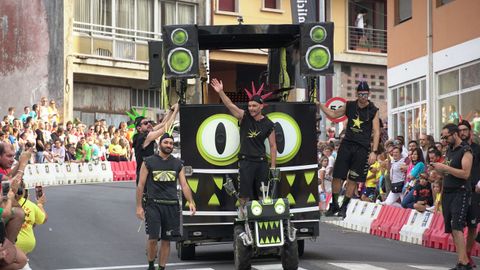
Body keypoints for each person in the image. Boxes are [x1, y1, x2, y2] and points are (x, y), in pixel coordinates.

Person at [210, 78, 277, 214]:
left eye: (254, 106)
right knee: (244, 194)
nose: (251, 108)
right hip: (246, 161)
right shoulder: (244, 116)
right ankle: (242, 216)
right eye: (249, 106)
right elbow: (230, 105)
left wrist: (273, 166)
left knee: (263, 194)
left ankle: (262, 217)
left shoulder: (269, 124)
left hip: (261, 163)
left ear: (261, 106)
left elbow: (273, 145)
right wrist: (221, 92)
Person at [318, 81, 380, 218]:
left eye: (365, 94)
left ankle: (344, 207)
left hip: (362, 148)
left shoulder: (373, 110)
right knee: (337, 176)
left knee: (353, 179)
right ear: (357, 94)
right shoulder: (350, 105)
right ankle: (334, 204)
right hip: (347, 144)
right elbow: (333, 114)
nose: (363, 97)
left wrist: (374, 152)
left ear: (368, 94)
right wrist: (320, 105)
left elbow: (376, 131)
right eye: (360, 94)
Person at [136, 132, 196, 270]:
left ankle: (161, 268)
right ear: (159, 144)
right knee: (152, 239)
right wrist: (139, 207)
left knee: (166, 240)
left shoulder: (177, 163)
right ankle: (151, 265)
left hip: (171, 206)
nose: (169, 145)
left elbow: (185, 185)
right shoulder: (148, 161)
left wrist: (191, 202)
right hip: (153, 205)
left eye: (171, 143)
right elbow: (140, 185)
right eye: (166, 143)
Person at [431, 123, 473, 270]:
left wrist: (445, 168)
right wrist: (438, 172)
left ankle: (465, 262)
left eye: (446, 136)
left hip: (460, 191)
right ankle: (461, 261)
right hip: (447, 192)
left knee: (457, 226)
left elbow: (465, 174)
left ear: (455, 134)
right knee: (451, 228)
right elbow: (447, 172)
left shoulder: (465, 150)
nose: (444, 140)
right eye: (442, 137)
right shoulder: (449, 150)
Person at [458, 120, 480, 268]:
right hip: (457, 191)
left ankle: (467, 255)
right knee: (457, 226)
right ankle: (462, 257)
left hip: (473, 190)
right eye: (460, 130)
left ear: (470, 132)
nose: (463, 133)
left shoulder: (477, 149)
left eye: (465, 130)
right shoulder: (455, 149)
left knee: (472, 226)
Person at [15, 181, 47, 255]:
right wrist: (40, 205)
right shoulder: (30, 205)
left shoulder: (4, 202)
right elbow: (43, 219)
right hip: (26, 244)